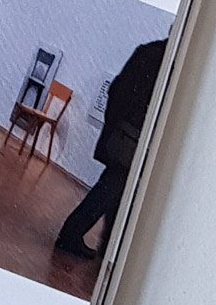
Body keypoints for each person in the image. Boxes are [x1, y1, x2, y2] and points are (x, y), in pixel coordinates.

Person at [54, 36, 167, 261]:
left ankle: (99, 243)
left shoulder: (148, 51)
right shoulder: (161, 60)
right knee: (110, 189)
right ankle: (73, 235)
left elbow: (117, 89)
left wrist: (115, 123)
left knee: (113, 189)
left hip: (123, 133)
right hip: (131, 137)